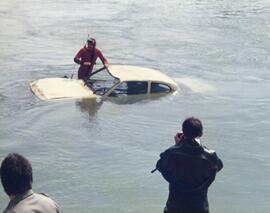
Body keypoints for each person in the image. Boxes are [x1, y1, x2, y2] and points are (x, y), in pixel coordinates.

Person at [154, 117, 223, 213]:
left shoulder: (171, 153)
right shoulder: (209, 156)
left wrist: (177, 145)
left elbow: (160, 166)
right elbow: (218, 166)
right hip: (199, 208)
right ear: (201, 134)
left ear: (183, 132)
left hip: (174, 207)